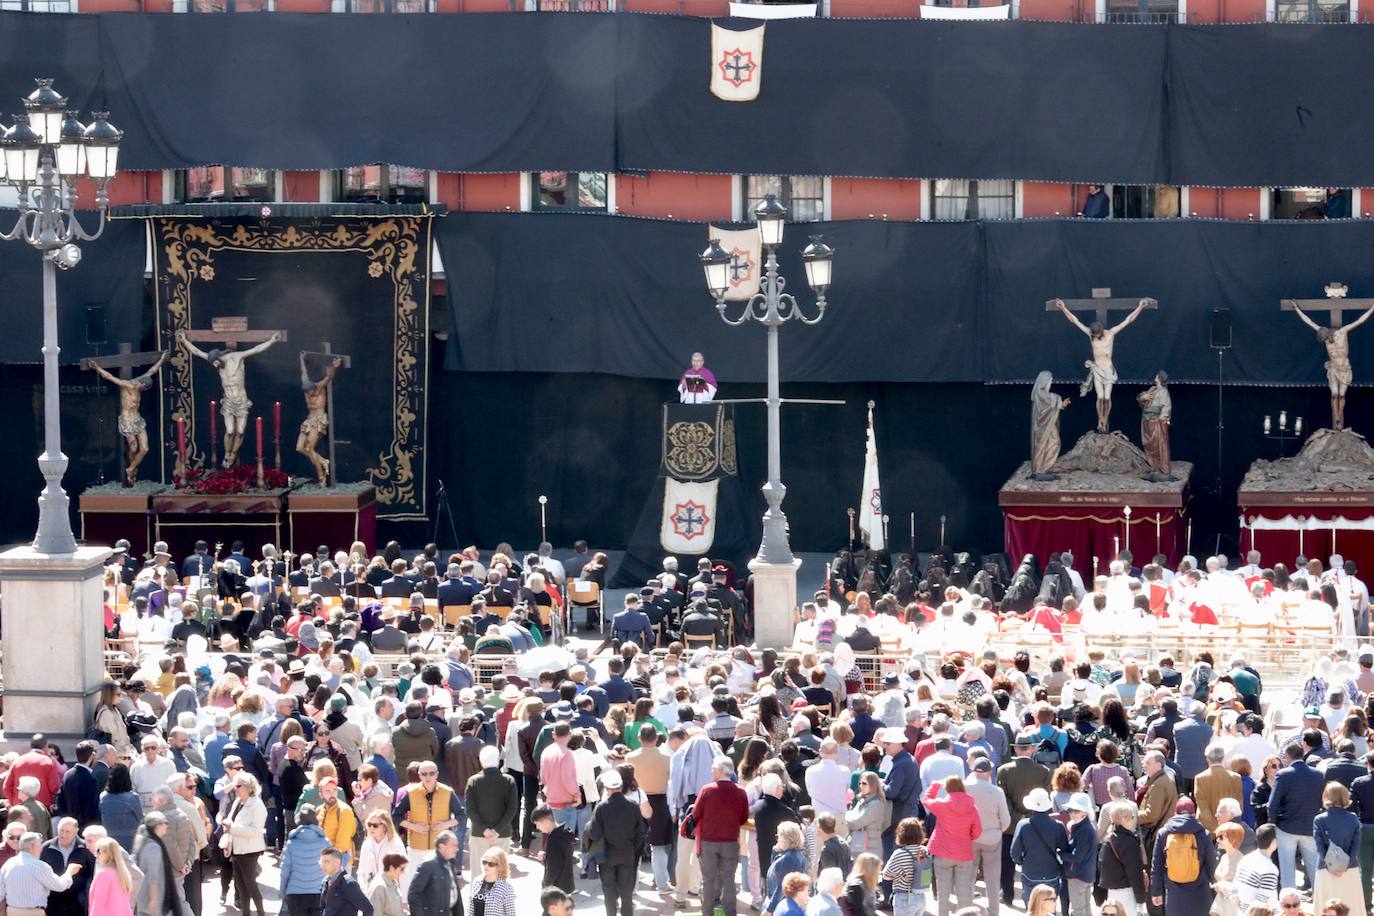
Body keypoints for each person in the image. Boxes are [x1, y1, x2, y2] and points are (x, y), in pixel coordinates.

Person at [585, 769, 645, 916]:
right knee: (626, 892)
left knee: (609, 891)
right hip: (627, 854)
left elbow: (594, 833)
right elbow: (641, 833)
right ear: (620, 786)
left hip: (607, 856)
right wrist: (632, 848)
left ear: (606, 788)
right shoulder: (633, 805)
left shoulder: (601, 807)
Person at [696, 758, 749, 916]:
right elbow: (744, 817)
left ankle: (707, 912)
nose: (711, 772)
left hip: (709, 842)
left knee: (709, 880)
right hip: (731, 841)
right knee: (729, 879)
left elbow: (696, 813)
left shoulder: (707, 790)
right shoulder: (740, 791)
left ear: (720, 771)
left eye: (713, 769)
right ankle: (730, 913)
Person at [1269, 743, 1324, 892]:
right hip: (1310, 827)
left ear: (1287, 757)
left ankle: (1289, 903)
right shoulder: (1318, 774)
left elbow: (1272, 804)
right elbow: (1322, 801)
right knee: (1314, 868)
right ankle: (1320, 902)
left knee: (1287, 869)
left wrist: (1273, 823)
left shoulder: (1283, 775)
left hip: (1286, 828)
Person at [923, 775, 981, 913]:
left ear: (948, 789)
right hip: (964, 853)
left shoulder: (942, 805)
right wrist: (967, 838)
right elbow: (977, 831)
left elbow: (926, 800)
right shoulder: (972, 808)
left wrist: (936, 784)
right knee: (964, 892)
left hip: (943, 853)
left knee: (943, 893)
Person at [1150, 798, 1217, 916]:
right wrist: (1216, 889)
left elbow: (1157, 866)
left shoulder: (1163, 833)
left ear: (1175, 813)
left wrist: (1156, 892)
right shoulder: (1203, 833)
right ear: (1194, 813)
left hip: (1174, 896)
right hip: (1200, 895)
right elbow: (1211, 865)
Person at [465, 746, 518, 883]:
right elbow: (512, 808)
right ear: (498, 760)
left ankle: (477, 903)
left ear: (481, 761)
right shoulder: (509, 780)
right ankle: (499, 902)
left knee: (478, 874)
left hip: (479, 833)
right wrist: (497, 829)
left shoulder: (473, 781)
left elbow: (470, 809)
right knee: (500, 873)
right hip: (502, 833)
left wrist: (484, 829)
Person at [1312, 782, 1365, 916]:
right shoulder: (1353, 818)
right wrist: (1344, 866)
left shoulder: (1319, 819)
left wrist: (1332, 866)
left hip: (1325, 868)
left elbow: (1320, 847)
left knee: (1325, 905)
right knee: (1351, 906)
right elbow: (1355, 845)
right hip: (1349, 868)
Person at [219, 773, 268, 916]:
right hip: (236, 850)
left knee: (250, 885)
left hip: (249, 851)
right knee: (241, 886)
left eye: (238, 786)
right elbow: (230, 822)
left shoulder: (257, 805)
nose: (235, 789)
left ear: (249, 787)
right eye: (235, 785)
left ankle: (261, 913)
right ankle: (246, 913)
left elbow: (256, 831)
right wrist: (228, 843)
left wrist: (232, 828)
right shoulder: (238, 802)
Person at [0, 831, 80, 914]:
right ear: (33, 846)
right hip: (33, 912)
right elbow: (59, 886)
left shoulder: (8, 864)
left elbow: (0, 892)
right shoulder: (39, 866)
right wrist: (69, 872)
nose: (41, 848)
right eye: (40, 845)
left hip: (12, 911)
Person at [1011, 787, 1068, 904]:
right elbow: (1064, 850)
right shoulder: (1058, 826)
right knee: (1049, 906)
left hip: (1030, 872)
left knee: (1032, 907)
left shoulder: (1023, 825)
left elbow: (1015, 852)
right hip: (1051, 872)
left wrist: (1022, 862)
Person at [131, 813, 191, 916]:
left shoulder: (142, 842)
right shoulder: (153, 847)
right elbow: (152, 876)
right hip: (153, 902)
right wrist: (153, 900)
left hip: (143, 899)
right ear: (157, 826)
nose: (167, 826)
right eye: (165, 823)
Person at [280, 805, 331, 916]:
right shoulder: (325, 842)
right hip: (319, 892)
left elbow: (285, 870)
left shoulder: (291, 843)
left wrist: (282, 891)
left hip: (295, 894)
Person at [39, 817, 94, 916]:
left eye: (68, 831)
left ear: (76, 831)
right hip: (52, 903)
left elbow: (93, 874)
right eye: (61, 831)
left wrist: (84, 896)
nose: (64, 835)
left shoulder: (86, 848)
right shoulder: (46, 848)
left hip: (78, 904)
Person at [1098, 805, 1147, 915]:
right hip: (1127, 893)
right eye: (1132, 816)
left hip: (1111, 892)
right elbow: (1134, 872)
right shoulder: (1128, 842)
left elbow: (1100, 867)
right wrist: (1141, 898)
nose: (1134, 819)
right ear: (1123, 819)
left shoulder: (1108, 839)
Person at [407, 830, 463, 916]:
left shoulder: (449, 862)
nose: (457, 849)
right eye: (453, 846)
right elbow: (414, 895)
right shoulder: (428, 865)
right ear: (442, 846)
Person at [880, 818, 929, 916]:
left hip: (904, 899)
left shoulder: (900, 853)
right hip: (921, 897)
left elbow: (886, 875)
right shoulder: (924, 851)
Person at [1233, 824, 1281, 912]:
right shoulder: (1270, 869)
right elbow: (1261, 905)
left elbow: (1235, 887)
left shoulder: (1246, 859)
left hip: (1242, 910)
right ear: (1274, 841)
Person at [764, 822, 807, 915]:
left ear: (786, 838)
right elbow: (773, 867)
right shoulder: (790, 854)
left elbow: (782, 887)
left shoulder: (789, 858)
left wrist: (769, 909)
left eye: (779, 836)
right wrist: (775, 850)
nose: (777, 839)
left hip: (780, 904)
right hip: (779, 902)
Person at [531, 806, 577, 894]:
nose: (537, 827)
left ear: (545, 821)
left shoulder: (554, 841)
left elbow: (553, 868)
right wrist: (546, 855)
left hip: (556, 889)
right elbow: (562, 856)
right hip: (567, 884)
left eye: (538, 824)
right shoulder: (565, 833)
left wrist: (545, 884)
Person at [100, 765, 144, 852]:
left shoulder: (103, 796)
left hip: (109, 840)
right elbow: (141, 819)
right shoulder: (132, 797)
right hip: (130, 841)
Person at [88, 836, 136, 916]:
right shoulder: (123, 874)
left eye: (98, 850)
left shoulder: (104, 874)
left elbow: (98, 903)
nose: (95, 853)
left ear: (108, 853)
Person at [320, 846, 373, 916]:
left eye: (326, 862)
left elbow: (368, 909)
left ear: (337, 863)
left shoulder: (349, 884)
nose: (322, 865)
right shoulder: (325, 882)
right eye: (321, 862)